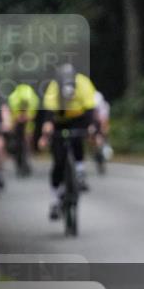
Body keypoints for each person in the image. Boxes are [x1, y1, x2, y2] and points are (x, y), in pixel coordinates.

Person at [39, 64, 98, 219]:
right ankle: (54, 199)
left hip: (79, 118)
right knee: (58, 161)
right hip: (58, 120)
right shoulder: (53, 87)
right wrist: (46, 130)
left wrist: (92, 128)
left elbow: (91, 111)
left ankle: (79, 173)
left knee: (78, 140)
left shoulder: (83, 84)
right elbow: (48, 115)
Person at [6, 82, 41, 176]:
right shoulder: (14, 99)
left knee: (27, 139)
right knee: (16, 142)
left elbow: (33, 115)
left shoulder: (32, 100)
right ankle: (18, 161)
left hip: (28, 122)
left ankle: (27, 158)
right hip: (16, 121)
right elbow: (11, 116)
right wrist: (16, 119)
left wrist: (27, 117)